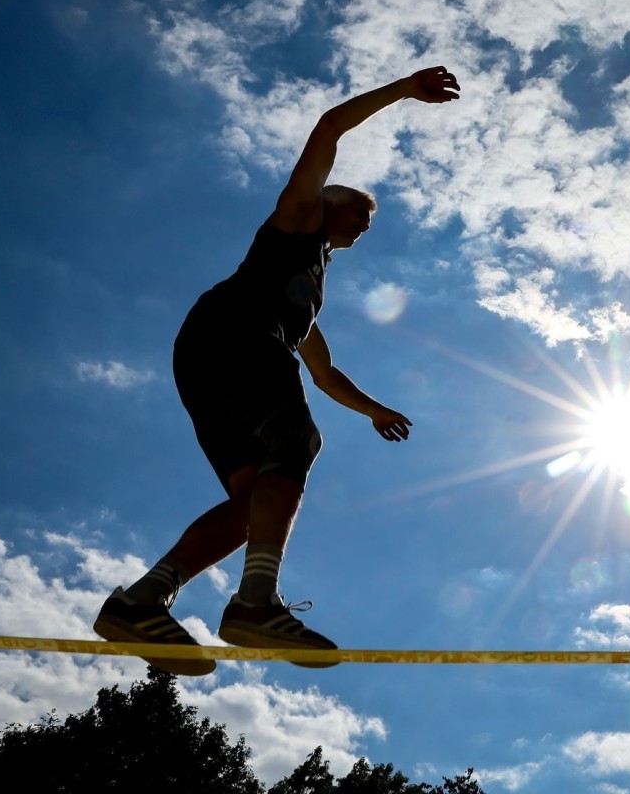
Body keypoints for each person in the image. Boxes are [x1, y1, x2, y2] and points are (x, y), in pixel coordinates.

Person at [94, 66, 461, 675]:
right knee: (298, 439)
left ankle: (139, 602)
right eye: (359, 215)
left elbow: (324, 372)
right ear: (327, 203)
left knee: (253, 505)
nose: (364, 227)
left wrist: (376, 411)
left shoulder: (301, 294)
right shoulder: (297, 217)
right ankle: (256, 604)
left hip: (215, 363)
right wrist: (402, 91)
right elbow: (327, 129)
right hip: (233, 339)